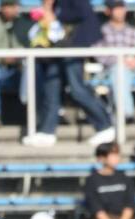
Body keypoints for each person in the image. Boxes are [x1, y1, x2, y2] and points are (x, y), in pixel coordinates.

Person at [22, 0, 115, 147]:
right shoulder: (56, 5)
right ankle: (47, 131)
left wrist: (53, 14)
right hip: (59, 50)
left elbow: (81, 14)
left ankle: (105, 126)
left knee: (77, 88)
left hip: (75, 47)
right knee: (51, 86)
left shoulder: (64, 6)